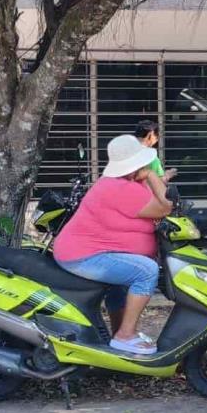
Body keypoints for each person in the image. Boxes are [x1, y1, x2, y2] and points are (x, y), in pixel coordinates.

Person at [52, 135, 175, 355]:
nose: (145, 166)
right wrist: (152, 175)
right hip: (82, 256)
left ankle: (120, 336)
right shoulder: (120, 188)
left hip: (87, 252)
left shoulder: (121, 183)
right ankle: (125, 335)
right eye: (143, 163)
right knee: (145, 272)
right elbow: (165, 206)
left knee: (121, 283)